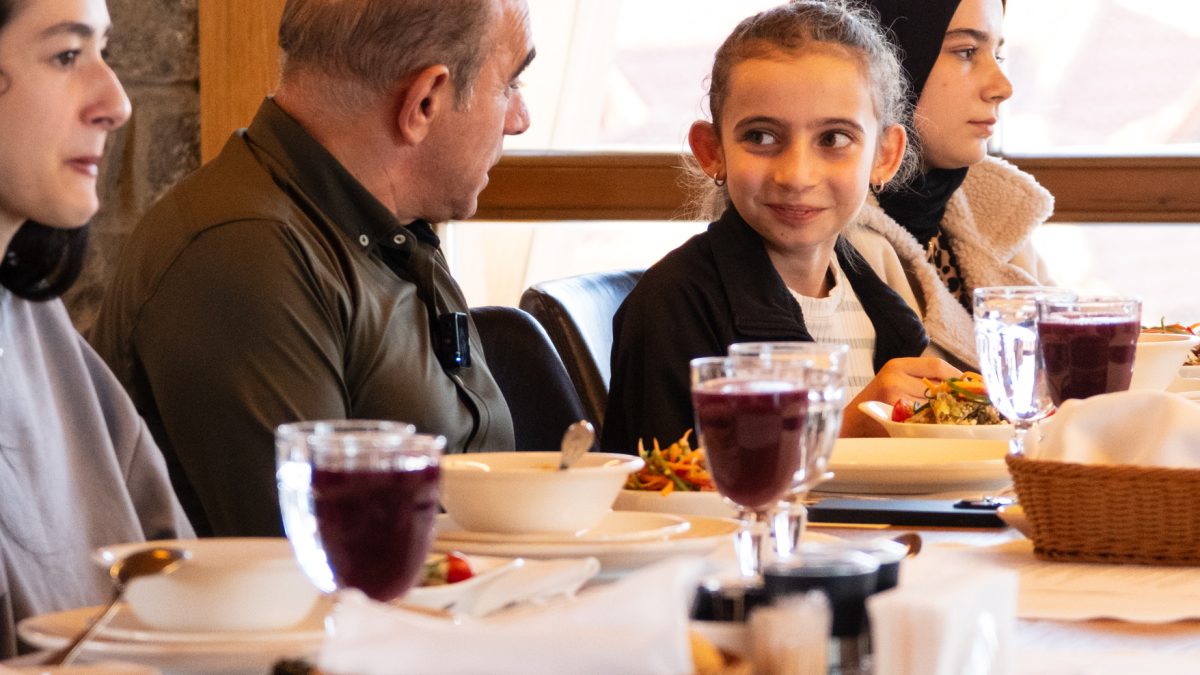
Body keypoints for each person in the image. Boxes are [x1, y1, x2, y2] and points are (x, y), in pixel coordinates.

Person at [91, 0, 534, 536]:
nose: (520, 120)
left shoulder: (389, 228)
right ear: (424, 101)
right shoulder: (244, 253)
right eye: (510, 84)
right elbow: (314, 559)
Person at [602, 0, 962, 453]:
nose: (796, 175)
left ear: (884, 156)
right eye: (761, 137)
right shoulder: (672, 305)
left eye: (834, 139)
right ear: (713, 151)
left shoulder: (882, 311)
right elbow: (664, 485)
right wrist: (842, 433)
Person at [0, 0, 192, 656]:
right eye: (65, 55)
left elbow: (186, 600)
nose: (117, 103)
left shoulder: (40, 328)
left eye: (102, 52)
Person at [846, 0, 1053, 369]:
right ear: (889, 61)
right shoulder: (821, 232)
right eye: (967, 51)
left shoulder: (996, 212)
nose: (1002, 87)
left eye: (998, 55)